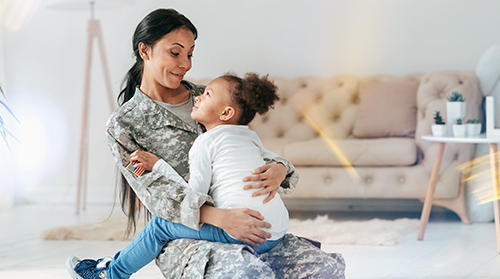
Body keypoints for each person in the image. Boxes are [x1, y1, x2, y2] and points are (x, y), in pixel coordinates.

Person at [67, 8, 345, 279]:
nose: (186, 64)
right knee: (247, 272)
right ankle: (109, 272)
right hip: (189, 236)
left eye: (189, 54)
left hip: (248, 224)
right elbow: (159, 198)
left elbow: (245, 150)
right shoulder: (124, 125)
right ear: (145, 50)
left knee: (327, 270)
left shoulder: (210, 97)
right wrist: (220, 217)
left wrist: (279, 169)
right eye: (175, 53)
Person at [68, 73, 292, 279]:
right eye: (176, 52)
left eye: (207, 95)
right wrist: (279, 166)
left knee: (159, 226)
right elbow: (138, 174)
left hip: (246, 232)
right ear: (145, 51)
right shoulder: (250, 136)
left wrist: (158, 165)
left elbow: (193, 194)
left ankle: (110, 274)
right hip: (277, 230)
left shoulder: (205, 142)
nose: (198, 97)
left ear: (226, 113)